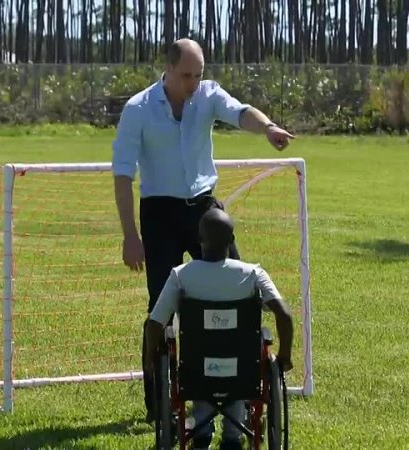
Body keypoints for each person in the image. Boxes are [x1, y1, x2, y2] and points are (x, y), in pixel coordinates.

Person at [111, 38, 295, 421]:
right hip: (159, 213)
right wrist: (130, 235)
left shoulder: (207, 94)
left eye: (198, 75)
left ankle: (242, 389)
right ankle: (158, 406)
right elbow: (123, 175)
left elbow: (240, 112)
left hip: (204, 210)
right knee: (160, 311)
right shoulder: (138, 109)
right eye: (186, 75)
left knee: (241, 293)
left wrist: (268, 128)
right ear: (169, 69)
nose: (193, 82)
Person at [144, 208, 294, 450]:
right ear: (231, 241)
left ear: (200, 240)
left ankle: (202, 432)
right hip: (244, 374)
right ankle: (233, 436)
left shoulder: (181, 276)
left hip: (196, 373)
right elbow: (284, 316)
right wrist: (284, 357)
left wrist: (154, 356)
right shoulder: (254, 274)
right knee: (238, 364)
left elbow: (154, 324)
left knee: (202, 364)